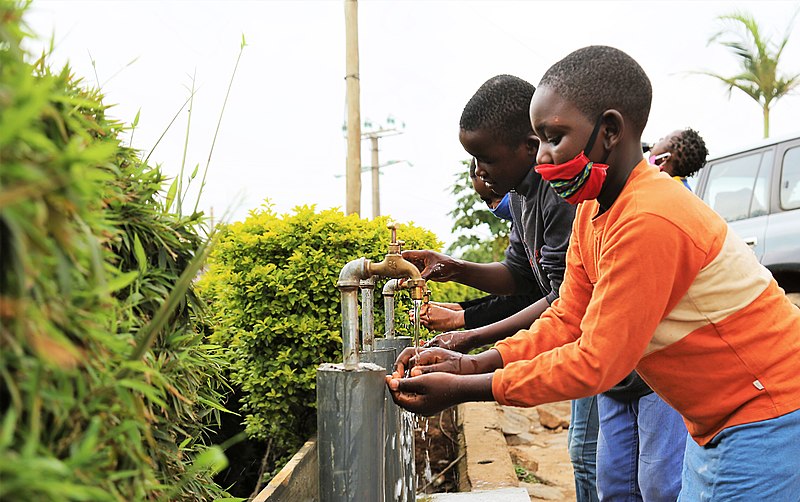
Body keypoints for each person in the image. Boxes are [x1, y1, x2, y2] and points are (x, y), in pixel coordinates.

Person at [387, 46, 800, 501]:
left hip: (767, 411)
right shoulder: (591, 210)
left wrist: (467, 387)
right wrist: (471, 363)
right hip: (715, 419)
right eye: (539, 140)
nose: (542, 158)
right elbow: (568, 315)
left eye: (554, 137)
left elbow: (596, 361)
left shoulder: (649, 218)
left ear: (609, 131)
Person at [402, 74, 600, 502]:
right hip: (585, 342)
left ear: (529, 147)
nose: (479, 172)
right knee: (590, 458)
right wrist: (453, 268)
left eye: (484, 158)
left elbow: (564, 298)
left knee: (642, 474)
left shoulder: (557, 195)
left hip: (600, 344)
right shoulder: (522, 196)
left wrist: (470, 342)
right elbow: (518, 274)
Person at [416, 159, 542, 333]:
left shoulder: (545, 206)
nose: (495, 206)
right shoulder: (521, 221)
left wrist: (462, 319)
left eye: (498, 195)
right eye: (488, 201)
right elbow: (521, 283)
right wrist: (459, 308)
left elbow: (539, 296)